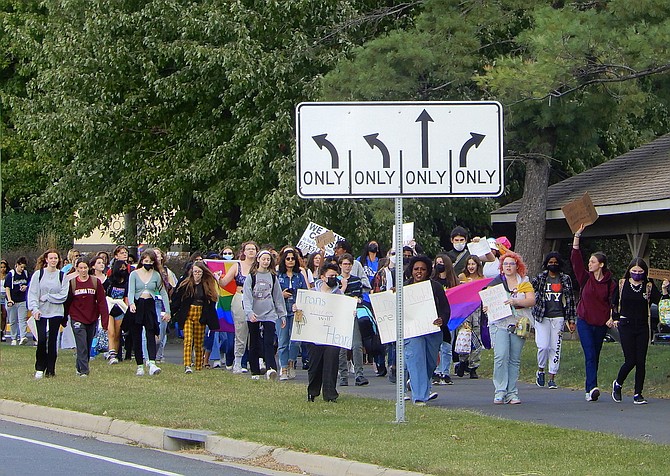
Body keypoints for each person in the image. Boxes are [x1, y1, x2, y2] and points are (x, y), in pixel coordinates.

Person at [611, 258, 669, 404]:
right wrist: (616, 318)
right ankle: (618, 383)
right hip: (626, 324)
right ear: (629, 271)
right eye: (634, 271)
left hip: (642, 325)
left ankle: (638, 393)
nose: (637, 274)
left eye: (640, 272)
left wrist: (664, 289)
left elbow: (661, 302)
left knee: (641, 361)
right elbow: (614, 302)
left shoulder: (648, 286)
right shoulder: (622, 284)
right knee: (630, 360)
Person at [571, 224, 615, 402]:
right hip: (584, 321)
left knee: (595, 355)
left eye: (593, 262)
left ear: (601, 265)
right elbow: (576, 260)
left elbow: (613, 303)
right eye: (589, 261)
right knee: (589, 353)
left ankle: (589, 388)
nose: (589, 264)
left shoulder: (610, 283)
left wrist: (612, 317)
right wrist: (577, 237)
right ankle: (593, 387)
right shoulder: (585, 278)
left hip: (601, 323)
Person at [487, 251, 535, 404]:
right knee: (500, 356)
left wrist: (516, 302)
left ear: (517, 266)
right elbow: (487, 298)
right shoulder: (496, 281)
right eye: (505, 264)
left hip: (519, 323)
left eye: (511, 264)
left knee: (514, 359)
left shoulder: (524, 282)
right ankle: (500, 390)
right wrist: (487, 307)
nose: (508, 266)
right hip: (501, 323)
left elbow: (531, 301)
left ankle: (512, 392)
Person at [404, 255, 450, 405]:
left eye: (423, 269)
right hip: (412, 332)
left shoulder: (435, 287)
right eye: (416, 269)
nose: (419, 272)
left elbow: (445, 308)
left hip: (432, 331)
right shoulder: (404, 287)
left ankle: (421, 386)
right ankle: (419, 397)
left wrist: (442, 320)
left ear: (428, 271)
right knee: (416, 360)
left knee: (430, 363)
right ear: (411, 271)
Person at [531, 252, 576, 389]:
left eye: (556, 262)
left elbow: (570, 300)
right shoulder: (540, 278)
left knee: (555, 347)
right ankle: (541, 369)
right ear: (546, 263)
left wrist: (571, 319)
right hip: (542, 316)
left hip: (558, 316)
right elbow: (530, 292)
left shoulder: (565, 279)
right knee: (543, 346)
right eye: (550, 262)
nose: (553, 265)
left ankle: (552, 376)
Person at [242, 250, 287, 380]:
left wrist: (282, 314)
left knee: (269, 341)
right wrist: (249, 312)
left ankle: (271, 368)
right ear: (258, 260)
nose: (266, 261)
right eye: (264, 259)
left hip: (269, 314)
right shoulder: (252, 276)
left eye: (268, 259)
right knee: (254, 342)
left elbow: (278, 297)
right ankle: (255, 371)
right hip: (254, 314)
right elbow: (247, 296)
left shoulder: (273, 277)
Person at [126, 249, 171, 376]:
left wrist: (167, 310)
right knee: (137, 335)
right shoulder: (134, 274)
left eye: (150, 261)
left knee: (151, 333)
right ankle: (140, 364)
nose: (148, 263)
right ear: (142, 261)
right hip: (138, 305)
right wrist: (131, 303)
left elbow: (163, 292)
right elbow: (131, 291)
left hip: (150, 305)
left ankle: (152, 362)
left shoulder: (156, 275)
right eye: (146, 261)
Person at [27, 249, 69, 379]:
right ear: (46, 259)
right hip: (41, 312)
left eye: (55, 258)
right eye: (51, 258)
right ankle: (39, 367)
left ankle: (50, 369)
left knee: (52, 341)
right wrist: (34, 309)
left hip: (56, 312)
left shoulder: (62, 276)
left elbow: (63, 295)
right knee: (42, 340)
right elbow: (32, 293)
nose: (53, 261)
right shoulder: (38, 275)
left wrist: (48, 297)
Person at [305, 262, 344, 402]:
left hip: (333, 335)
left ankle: (330, 394)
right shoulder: (312, 293)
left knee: (331, 364)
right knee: (315, 365)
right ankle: (313, 392)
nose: (333, 278)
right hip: (315, 335)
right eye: (330, 276)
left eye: (335, 275)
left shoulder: (339, 294)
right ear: (322, 277)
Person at [171, 261, 220, 373]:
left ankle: (198, 366)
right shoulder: (186, 284)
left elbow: (211, 302)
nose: (197, 274)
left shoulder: (207, 285)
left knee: (198, 342)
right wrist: (172, 313)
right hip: (188, 314)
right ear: (191, 272)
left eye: (199, 272)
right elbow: (177, 300)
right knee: (188, 339)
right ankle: (187, 364)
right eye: (195, 272)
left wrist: (209, 318)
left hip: (201, 314)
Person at [219, 241, 258, 374]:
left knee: (255, 332)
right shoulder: (237, 266)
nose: (251, 251)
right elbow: (224, 282)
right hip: (240, 298)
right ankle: (238, 361)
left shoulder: (260, 267)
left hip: (256, 300)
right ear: (244, 252)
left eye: (253, 249)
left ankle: (255, 361)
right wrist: (218, 278)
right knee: (240, 331)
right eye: (248, 249)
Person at [66, 258, 109, 377]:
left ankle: (79, 367)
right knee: (81, 344)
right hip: (77, 317)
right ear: (77, 269)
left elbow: (102, 302)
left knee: (88, 343)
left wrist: (105, 322)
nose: (83, 270)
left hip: (91, 318)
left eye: (85, 268)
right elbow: (67, 302)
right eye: (81, 268)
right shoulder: (73, 283)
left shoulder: (95, 282)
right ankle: (84, 371)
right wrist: (64, 319)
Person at [337, 253, 369, 387]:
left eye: (349, 264)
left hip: (354, 313)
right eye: (345, 264)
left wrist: (358, 300)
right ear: (340, 265)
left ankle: (359, 374)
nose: (347, 266)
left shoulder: (356, 280)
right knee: (342, 347)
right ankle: (343, 375)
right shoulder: (336, 280)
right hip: (340, 315)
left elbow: (361, 296)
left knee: (357, 344)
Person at [276, 248, 308, 380]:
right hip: (282, 311)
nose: (290, 261)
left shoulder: (299, 275)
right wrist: (281, 294)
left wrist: (299, 303)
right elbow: (273, 293)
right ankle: (283, 367)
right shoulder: (278, 276)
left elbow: (305, 292)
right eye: (288, 258)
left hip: (297, 310)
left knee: (295, 341)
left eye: (292, 259)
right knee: (283, 340)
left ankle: (291, 363)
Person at [456, 255, 486, 379]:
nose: (471, 266)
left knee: (477, 338)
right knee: (465, 335)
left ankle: (474, 366)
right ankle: (463, 361)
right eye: (469, 264)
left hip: (478, 310)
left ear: (477, 265)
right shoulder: (462, 277)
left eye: (473, 264)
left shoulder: (482, 279)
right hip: (465, 310)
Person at [431, 254, 458, 385]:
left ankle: (445, 372)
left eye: (442, 262)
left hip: (450, 317)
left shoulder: (453, 282)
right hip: (436, 316)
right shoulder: (433, 282)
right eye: (437, 262)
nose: (439, 265)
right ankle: (435, 371)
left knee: (447, 346)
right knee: (437, 346)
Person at [106, 246, 131, 364]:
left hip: (121, 309)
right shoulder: (110, 281)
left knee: (117, 333)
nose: (123, 270)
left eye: (124, 268)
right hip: (110, 308)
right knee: (110, 332)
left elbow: (126, 297)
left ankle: (116, 354)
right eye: (120, 268)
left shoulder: (127, 283)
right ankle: (111, 354)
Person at [153, 247, 177, 362]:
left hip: (163, 302)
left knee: (162, 329)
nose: (156, 256)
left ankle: (160, 355)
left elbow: (173, 287)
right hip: (151, 301)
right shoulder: (148, 270)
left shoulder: (167, 272)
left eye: (158, 254)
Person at [5, 256, 31, 346]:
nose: (22, 269)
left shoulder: (26, 274)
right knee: (12, 320)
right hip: (12, 300)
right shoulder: (10, 275)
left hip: (22, 300)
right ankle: (14, 338)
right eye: (21, 267)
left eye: (24, 267)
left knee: (22, 319)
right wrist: (9, 300)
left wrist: (26, 287)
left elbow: (29, 283)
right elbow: (7, 288)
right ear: (17, 265)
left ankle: (23, 336)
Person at [1, 260, 8, 342]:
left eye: (4, 267)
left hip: (5, 296)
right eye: (1, 267)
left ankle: (2, 332)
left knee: (4, 315)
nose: (3, 269)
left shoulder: (7, 276)